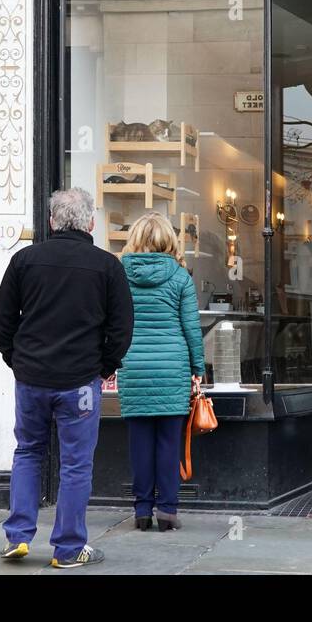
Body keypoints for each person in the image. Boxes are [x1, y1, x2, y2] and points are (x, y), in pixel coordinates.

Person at [0, 187, 133, 569]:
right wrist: (104, 367)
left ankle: (18, 536)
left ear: (52, 221)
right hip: (80, 382)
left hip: (32, 379)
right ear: (90, 223)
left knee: (27, 451)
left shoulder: (24, 260)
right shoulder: (107, 266)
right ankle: (68, 549)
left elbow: (1, 324)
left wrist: (17, 361)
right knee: (75, 464)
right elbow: (121, 329)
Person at [118, 212, 205, 531]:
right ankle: (167, 511)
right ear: (169, 239)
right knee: (169, 442)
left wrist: (112, 361)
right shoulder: (181, 277)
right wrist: (198, 368)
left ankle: (142, 511)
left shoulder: (121, 275)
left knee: (140, 443)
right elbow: (192, 328)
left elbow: (114, 324)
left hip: (135, 366)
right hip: (172, 368)